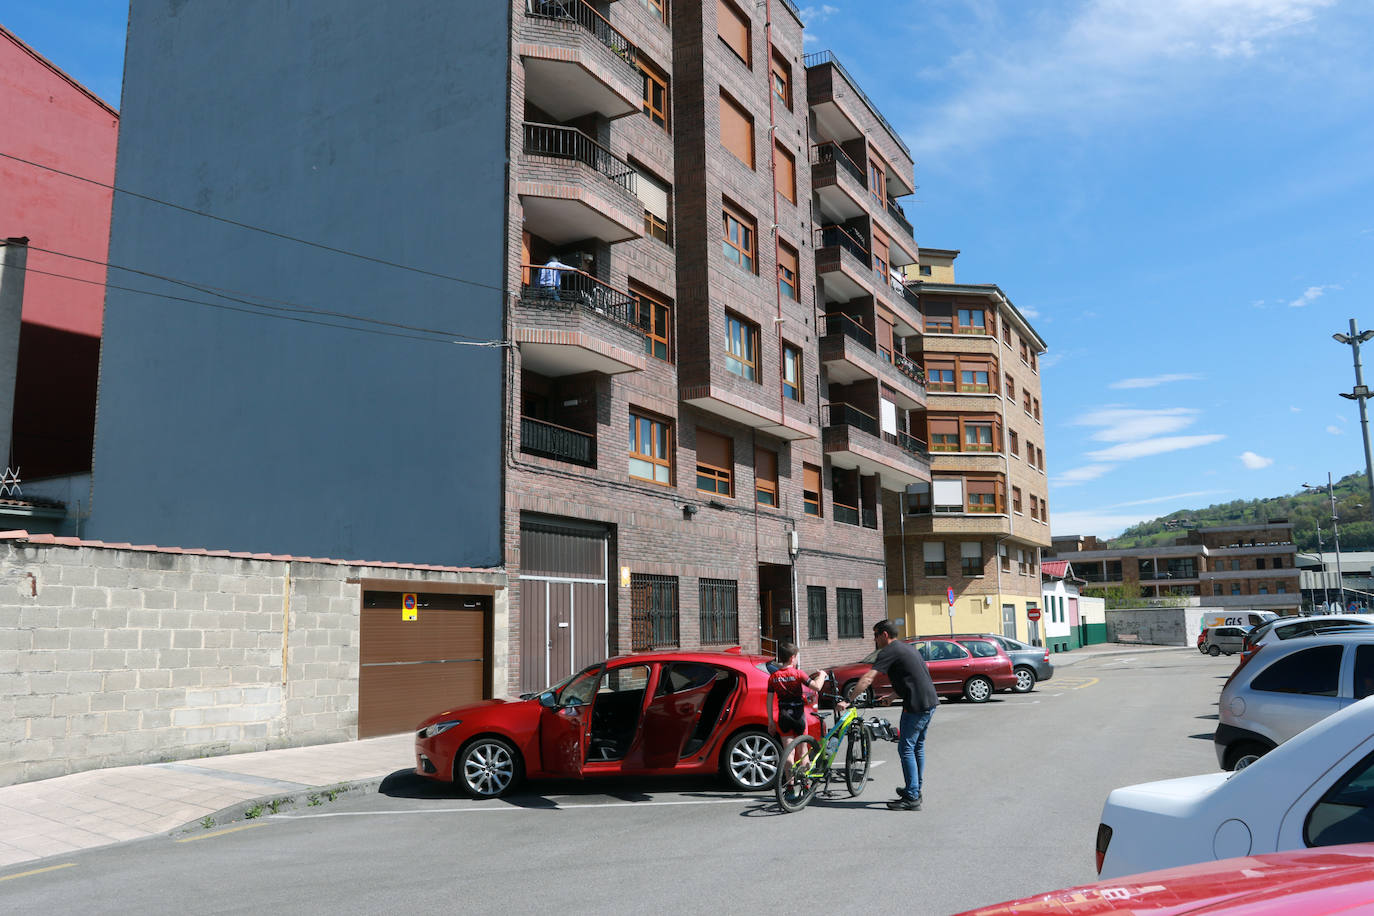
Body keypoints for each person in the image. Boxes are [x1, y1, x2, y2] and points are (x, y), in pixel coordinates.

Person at [841, 620, 937, 811]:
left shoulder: (889, 651)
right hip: (928, 702)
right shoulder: (906, 649)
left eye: (875, 635)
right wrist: (893, 696)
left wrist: (849, 700)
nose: (874, 640)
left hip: (916, 706)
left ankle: (912, 797)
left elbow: (868, 678)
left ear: (884, 635)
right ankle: (915, 788)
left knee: (906, 749)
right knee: (917, 747)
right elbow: (913, 677)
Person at [766, 641, 827, 763]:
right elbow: (817, 687)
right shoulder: (798, 673)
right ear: (792, 658)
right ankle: (805, 782)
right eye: (797, 657)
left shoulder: (773, 677)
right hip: (798, 715)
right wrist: (822, 675)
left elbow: (769, 700)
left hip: (783, 716)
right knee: (803, 751)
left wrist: (771, 721)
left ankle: (790, 782)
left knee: (788, 752)